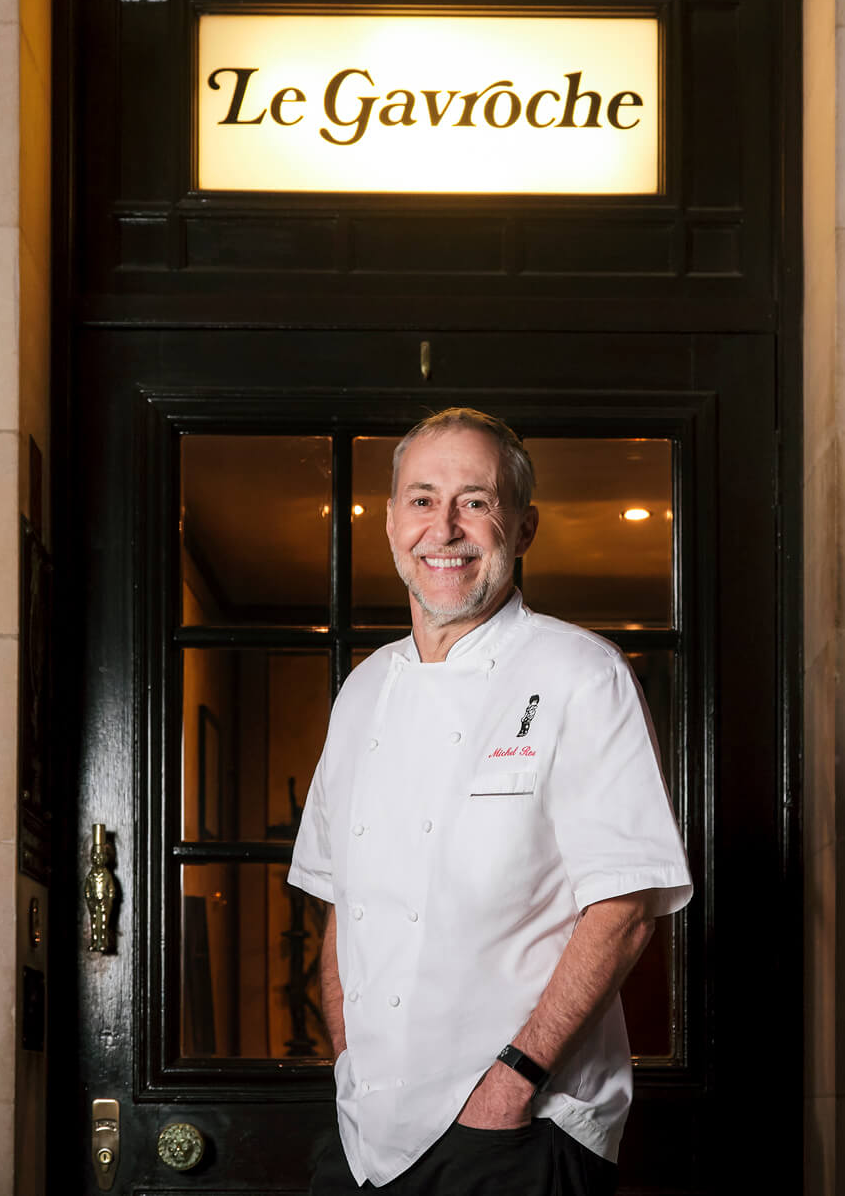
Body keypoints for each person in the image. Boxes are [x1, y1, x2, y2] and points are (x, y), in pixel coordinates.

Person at [289, 408, 693, 1195]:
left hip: (518, 1131)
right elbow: (342, 896)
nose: (443, 527)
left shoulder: (581, 672)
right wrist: (347, 1059)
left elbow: (624, 909)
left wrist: (510, 1086)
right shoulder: (363, 689)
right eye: (421, 499)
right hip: (364, 1135)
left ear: (523, 526)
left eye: (474, 500)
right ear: (389, 522)